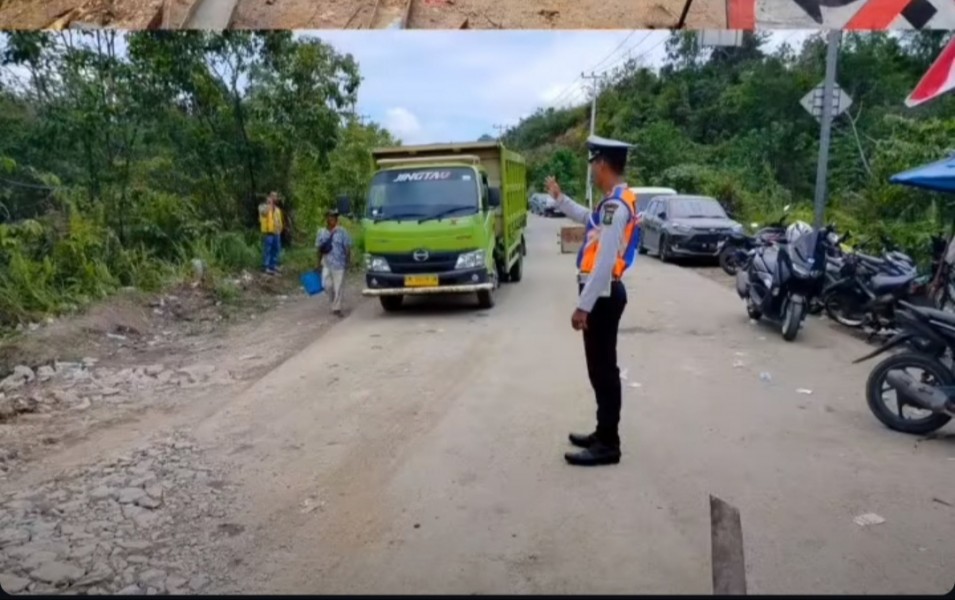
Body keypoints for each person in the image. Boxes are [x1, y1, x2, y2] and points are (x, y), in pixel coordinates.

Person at [545, 135, 641, 467]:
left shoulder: (616, 207)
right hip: (601, 294)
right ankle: (602, 433)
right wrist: (560, 199)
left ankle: (608, 443)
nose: (592, 172)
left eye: (593, 166)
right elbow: (588, 219)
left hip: (602, 295)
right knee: (599, 369)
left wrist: (582, 306)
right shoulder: (612, 202)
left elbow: (602, 264)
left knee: (603, 371)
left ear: (602, 165)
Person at [316, 209, 352, 316]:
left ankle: (337, 307)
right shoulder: (321, 232)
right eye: (330, 217)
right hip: (326, 263)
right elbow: (318, 249)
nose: (332, 219)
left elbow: (347, 247)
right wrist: (317, 263)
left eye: (334, 217)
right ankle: (333, 300)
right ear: (327, 219)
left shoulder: (342, 232)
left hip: (339, 264)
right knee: (327, 285)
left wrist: (348, 261)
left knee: (338, 287)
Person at [259, 192, 284, 275]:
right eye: (273, 196)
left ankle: (273, 266)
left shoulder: (277, 209)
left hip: (276, 232)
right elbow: (264, 213)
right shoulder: (263, 206)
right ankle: (266, 266)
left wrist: (280, 228)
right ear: (269, 197)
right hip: (268, 232)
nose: (274, 198)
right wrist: (269, 205)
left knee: (276, 249)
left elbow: (279, 220)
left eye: (276, 196)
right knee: (267, 249)